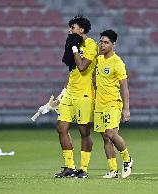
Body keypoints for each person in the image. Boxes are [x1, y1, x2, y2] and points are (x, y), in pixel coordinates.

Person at [54, 16, 98, 178]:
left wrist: (74, 48)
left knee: (83, 131)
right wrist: (63, 92)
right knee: (61, 127)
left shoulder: (91, 45)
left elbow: (82, 67)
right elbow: (72, 70)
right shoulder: (75, 44)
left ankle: (83, 169)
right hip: (71, 92)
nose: (69, 30)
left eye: (72, 27)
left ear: (81, 29)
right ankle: (69, 166)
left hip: (84, 94)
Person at [94, 29, 133, 179]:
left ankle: (127, 160)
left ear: (113, 44)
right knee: (105, 137)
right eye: (101, 42)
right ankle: (113, 170)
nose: (102, 45)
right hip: (100, 104)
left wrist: (126, 109)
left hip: (113, 103)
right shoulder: (99, 59)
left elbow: (125, 87)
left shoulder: (117, 63)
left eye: (106, 42)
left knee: (111, 133)